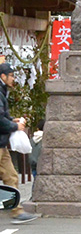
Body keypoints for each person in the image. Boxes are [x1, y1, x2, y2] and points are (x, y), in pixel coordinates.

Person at [0, 63, 38, 224]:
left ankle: (16, 211)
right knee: (11, 176)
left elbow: (2, 116)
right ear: (3, 76)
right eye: (12, 75)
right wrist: (15, 126)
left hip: (1, 144)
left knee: (11, 176)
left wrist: (11, 120)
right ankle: (16, 211)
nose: (14, 79)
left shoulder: (2, 92)